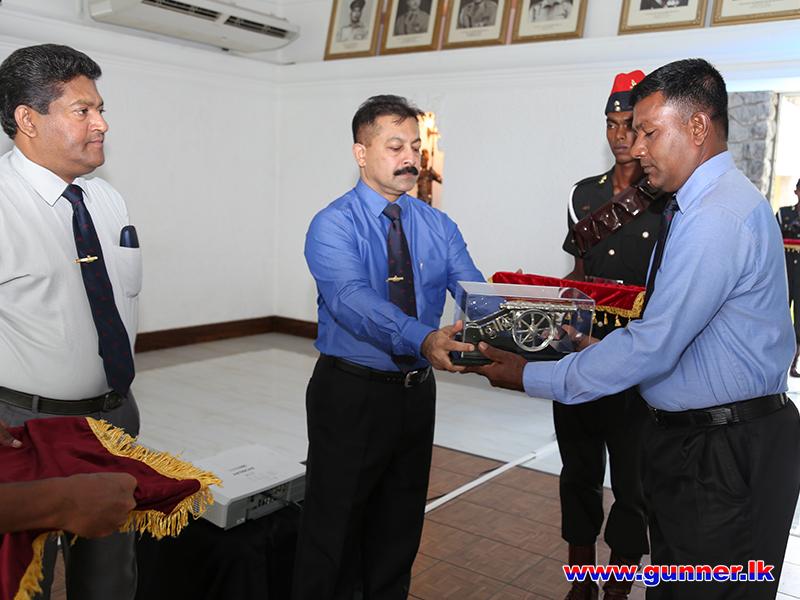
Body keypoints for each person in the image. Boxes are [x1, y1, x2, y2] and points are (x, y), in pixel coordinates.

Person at [469, 58, 800, 600]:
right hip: (709, 441)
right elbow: (690, 334)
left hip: (721, 452)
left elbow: (655, 343)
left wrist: (529, 376)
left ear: (697, 127)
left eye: (649, 131)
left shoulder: (715, 217)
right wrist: (595, 345)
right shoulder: (705, 204)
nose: (636, 146)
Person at [293, 94, 483, 600]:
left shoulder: (438, 225)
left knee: (399, 526)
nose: (410, 158)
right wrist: (424, 338)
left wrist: (521, 322)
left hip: (415, 392)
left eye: (416, 147)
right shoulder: (333, 224)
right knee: (333, 529)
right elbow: (351, 300)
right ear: (361, 153)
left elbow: (474, 291)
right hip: (351, 393)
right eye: (395, 146)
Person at [0, 44, 141, 600]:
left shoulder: (106, 200)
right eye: (82, 111)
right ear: (28, 119)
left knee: (110, 574)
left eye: (100, 109)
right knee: (24, 578)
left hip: (114, 418)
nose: (101, 124)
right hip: (24, 428)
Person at [557, 70, 660, 600]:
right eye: (611, 124)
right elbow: (577, 272)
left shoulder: (666, 197)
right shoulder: (584, 194)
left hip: (635, 357)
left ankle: (617, 587)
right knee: (577, 471)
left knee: (632, 483)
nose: (620, 136)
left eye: (630, 125)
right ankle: (582, 581)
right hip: (579, 351)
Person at [777, 178, 800, 377]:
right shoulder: (784, 214)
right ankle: (777, 362)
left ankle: (793, 363)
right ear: (796, 192)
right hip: (784, 271)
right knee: (779, 314)